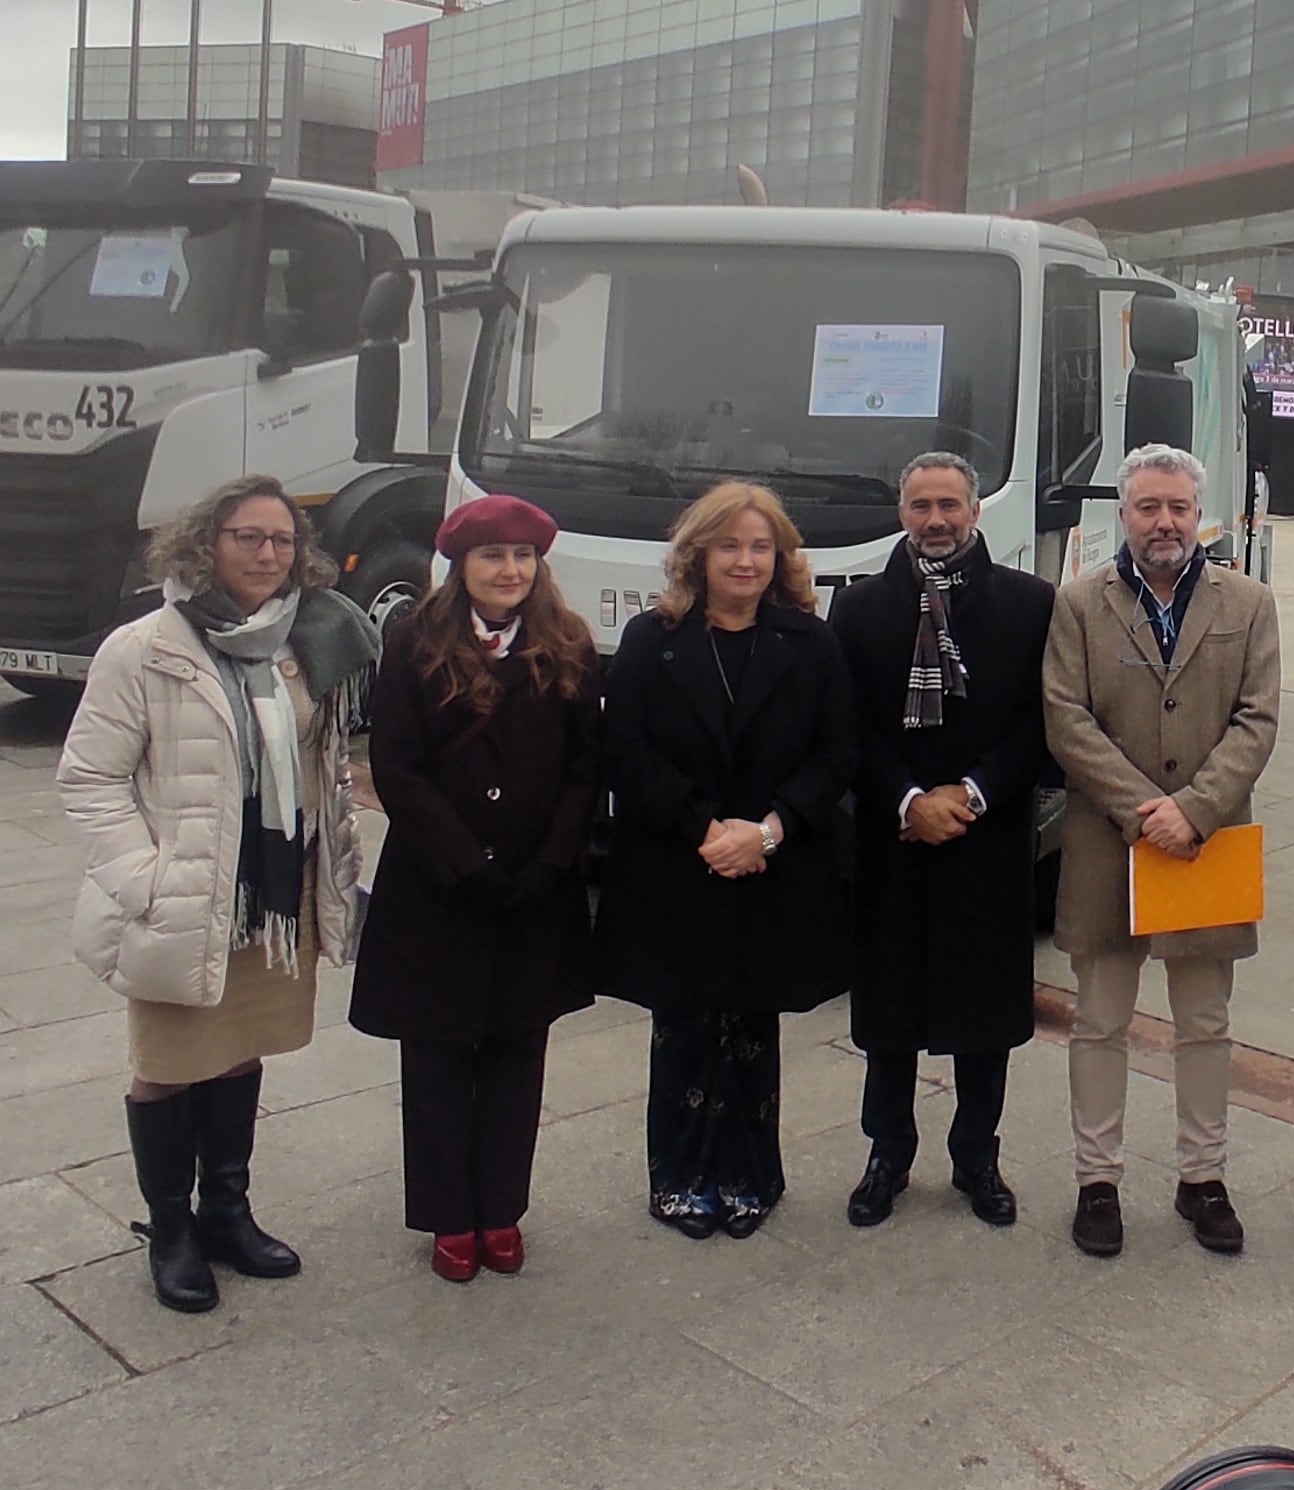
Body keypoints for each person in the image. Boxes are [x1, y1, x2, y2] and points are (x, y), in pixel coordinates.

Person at [57, 473, 379, 1313]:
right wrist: (145, 879)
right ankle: (171, 1232)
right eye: (248, 536)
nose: (268, 553)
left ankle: (227, 1213)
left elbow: (324, 763)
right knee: (166, 1067)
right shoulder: (146, 645)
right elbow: (89, 777)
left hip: (272, 902)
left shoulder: (303, 638)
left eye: (281, 540)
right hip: (185, 899)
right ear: (207, 544)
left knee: (241, 1051)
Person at [594, 481, 856, 1241]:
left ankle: (749, 1176)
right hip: (679, 864)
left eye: (760, 546)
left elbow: (837, 752)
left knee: (751, 1026)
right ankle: (677, 1177)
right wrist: (705, 827)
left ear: (780, 557)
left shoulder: (809, 641)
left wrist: (768, 831)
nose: (745, 561)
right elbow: (624, 749)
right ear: (699, 553)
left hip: (774, 866)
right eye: (730, 545)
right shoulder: (653, 639)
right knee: (681, 1026)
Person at [350, 495, 600, 1283]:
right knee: (437, 1053)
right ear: (461, 565)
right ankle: (448, 1214)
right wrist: (466, 863)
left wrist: (550, 862)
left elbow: (585, 767)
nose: (510, 571)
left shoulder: (567, 642)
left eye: (524, 557)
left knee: (517, 1049)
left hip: (533, 886)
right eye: (494, 556)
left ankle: (502, 1207)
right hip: (438, 887)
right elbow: (397, 765)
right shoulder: (414, 640)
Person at [1044, 444, 1281, 1257]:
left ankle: (1202, 1176)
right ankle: (1097, 1179)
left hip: (1205, 849)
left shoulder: (1247, 604)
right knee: (1100, 1021)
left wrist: (1196, 810)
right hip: (1112, 847)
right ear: (1123, 514)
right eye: (1148, 507)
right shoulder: (1078, 604)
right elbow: (1066, 719)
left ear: (1199, 513)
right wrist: (1146, 814)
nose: (1165, 522)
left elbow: (1258, 720)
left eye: (1179, 507)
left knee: (1205, 1023)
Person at [831, 452, 1054, 1229]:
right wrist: (906, 797)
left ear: (976, 511)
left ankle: (975, 1156)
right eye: (921, 504)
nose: (936, 519)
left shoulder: (1031, 605)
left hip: (987, 840)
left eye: (949, 504)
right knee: (890, 1010)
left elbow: (1041, 721)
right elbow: (846, 726)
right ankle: (886, 1153)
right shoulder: (858, 610)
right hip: (893, 840)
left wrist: (976, 791)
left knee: (982, 1012)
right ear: (901, 513)